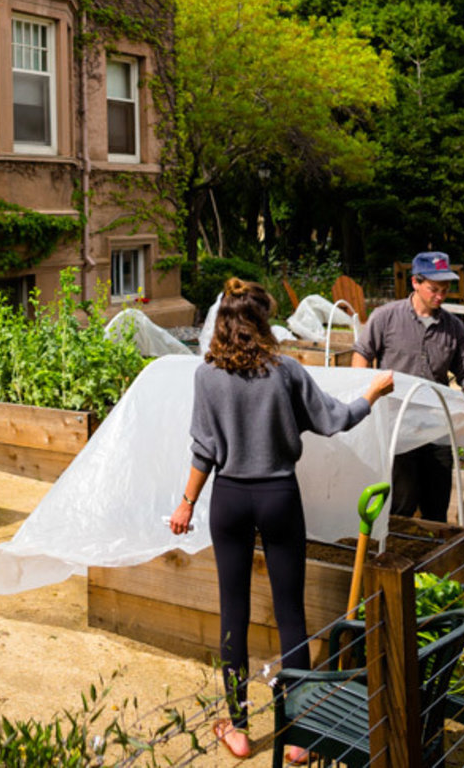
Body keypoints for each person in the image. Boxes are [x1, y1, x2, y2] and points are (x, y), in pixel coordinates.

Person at [169, 278, 394, 761]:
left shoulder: (206, 376)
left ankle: (240, 730)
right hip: (277, 495)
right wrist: (371, 393)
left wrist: (186, 503)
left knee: (235, 613)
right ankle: (298, 735)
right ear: (261, 321)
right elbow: (334, 420)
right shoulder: (286, 371)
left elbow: (203, 450)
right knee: (291, 614)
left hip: (229, 498)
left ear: (223, 325)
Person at [351, 251, 464, 521]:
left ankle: (433, 558)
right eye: (434, 289)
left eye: (445, 289)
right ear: (415, 283)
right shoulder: (386, 317)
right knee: (401, 499)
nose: (440, 295)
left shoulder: (453, 327)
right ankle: (394, 554)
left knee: (436, 502)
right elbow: (362, 353)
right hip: (396, 423)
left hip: (436, 425)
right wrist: (366, 395)